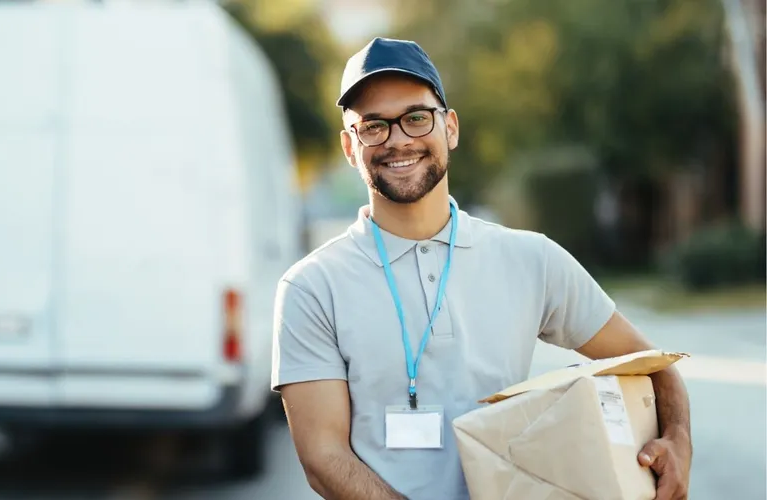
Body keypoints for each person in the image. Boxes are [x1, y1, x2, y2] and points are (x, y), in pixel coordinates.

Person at [270, 37, 692, 500]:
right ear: (351, 147)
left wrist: (677, 442)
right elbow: (323, 456)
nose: (398, 140)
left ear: (449, 127)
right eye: (373, 127)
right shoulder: (311, 287)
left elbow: (651, 364)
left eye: (416, 118)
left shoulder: (532, 258)